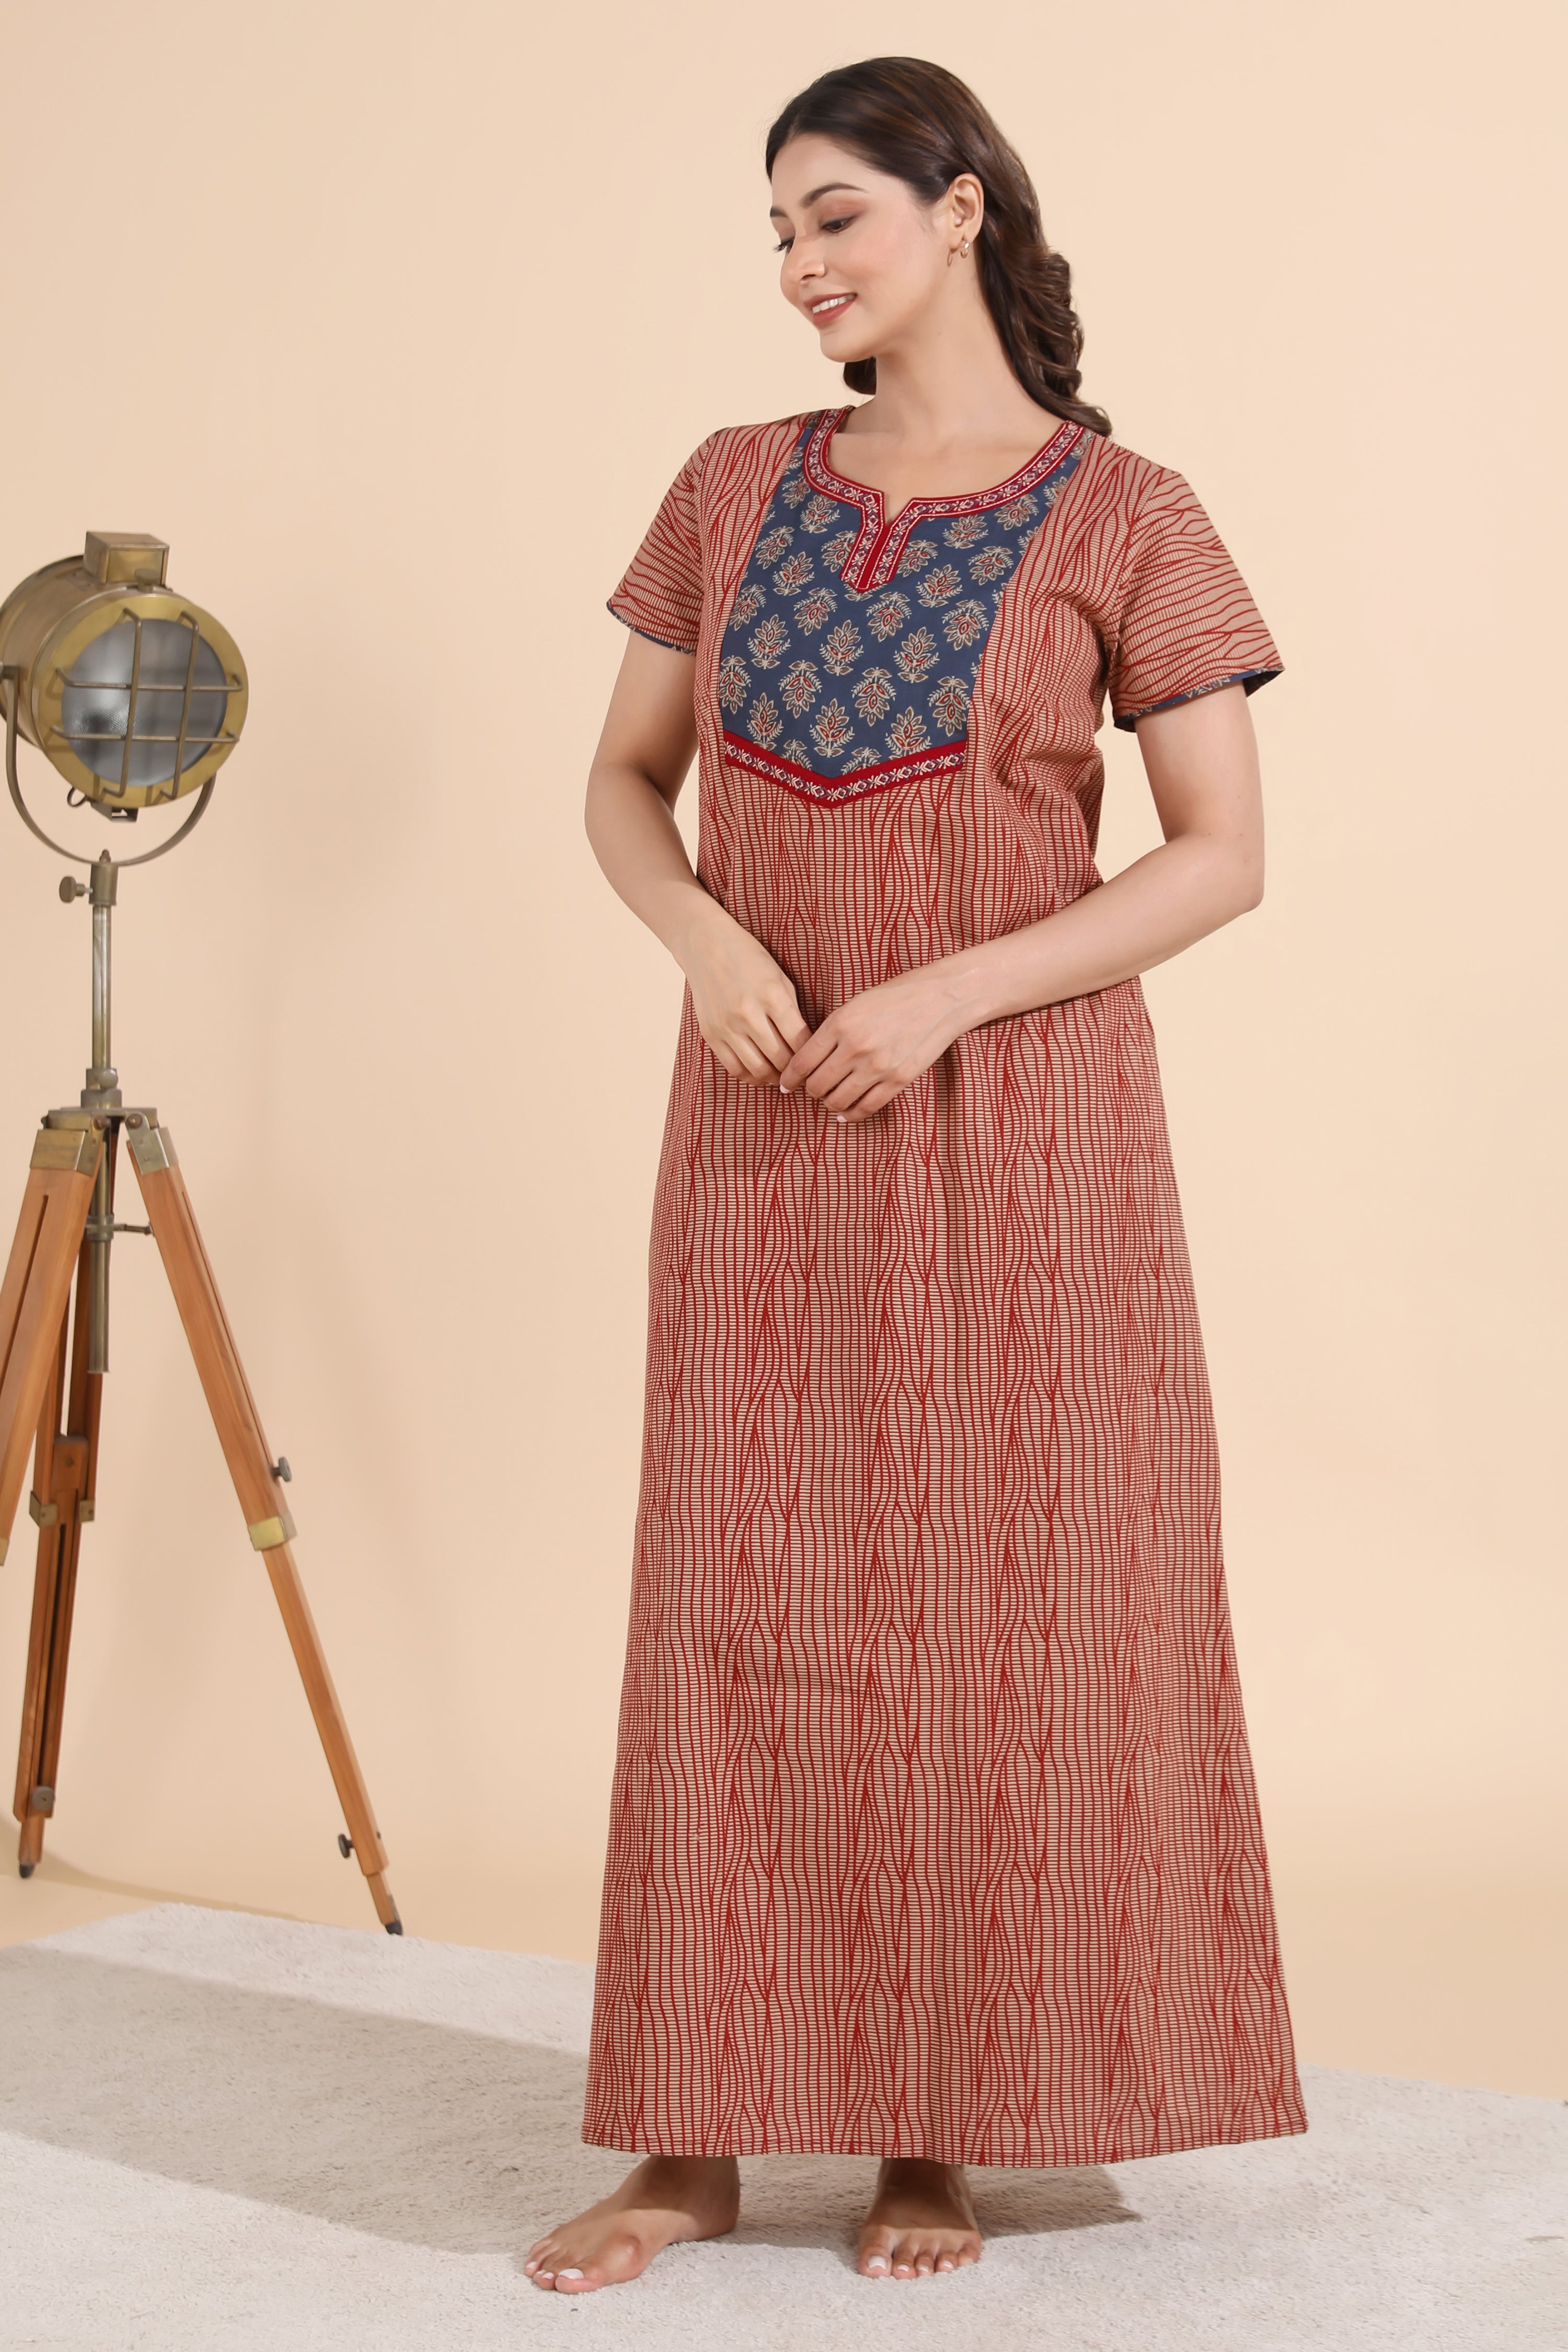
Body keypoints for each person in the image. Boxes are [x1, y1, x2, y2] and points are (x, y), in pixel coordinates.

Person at [526, 54, 1308, 2296]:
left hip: (1028, 1135)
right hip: (764, 1114)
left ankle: (932, 2126)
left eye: (836, 216)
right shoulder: (729, 485)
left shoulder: (1131, 514)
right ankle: (687, 2139)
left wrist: (949, 996)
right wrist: (701, 941)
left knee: (993, 1610)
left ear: (962, 209)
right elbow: (622, 782)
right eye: (779, 233)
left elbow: (1224, 855)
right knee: (732, 1595)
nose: (801, 266)